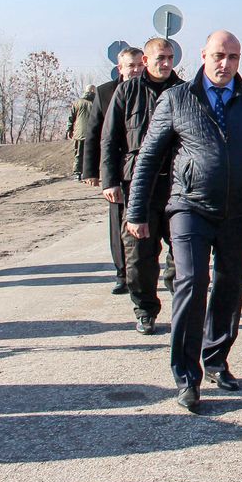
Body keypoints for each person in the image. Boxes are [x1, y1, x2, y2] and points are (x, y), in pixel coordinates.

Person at [126, 31, 242, 413]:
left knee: (230, 286)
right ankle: (186, 376)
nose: (225, 63)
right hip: (189, 208)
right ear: (203, 55)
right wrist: (136, 212)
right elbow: (148, 158)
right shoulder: (178, 98)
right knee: (192, 281)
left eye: (233, 57)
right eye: (219, 55)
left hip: (238, 211)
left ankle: (216, 358)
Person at [100, 38, 184, 334]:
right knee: (139, 255)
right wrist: (109, 180)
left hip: (177, 185)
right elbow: (110, 140)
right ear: (146, 61)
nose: (165, 63)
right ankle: (145, 309)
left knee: (184, 250)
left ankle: (183, 304)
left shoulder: (184, 91)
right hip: (137, 187)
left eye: (170, 58)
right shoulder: (127, 91)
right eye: (160, 58)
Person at [82, 47, 145, 294]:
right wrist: (91, 171)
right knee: (119, 221)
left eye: (140, 64)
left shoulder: (152, 89)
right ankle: (122, 273)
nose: (136, 69)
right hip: (117, 170)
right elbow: (94, 132)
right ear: (121, 68)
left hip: (146, 169)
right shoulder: (105, 92)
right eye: (131, 65)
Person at [67, 86, 96, 178]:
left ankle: (77, 173)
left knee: (79, 153)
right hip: (94, 132)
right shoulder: (97, 103)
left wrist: (69, 129)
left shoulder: (77, 103)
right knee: (92, 153)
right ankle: (90, 173)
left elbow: (71, 117)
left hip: (80, 132)